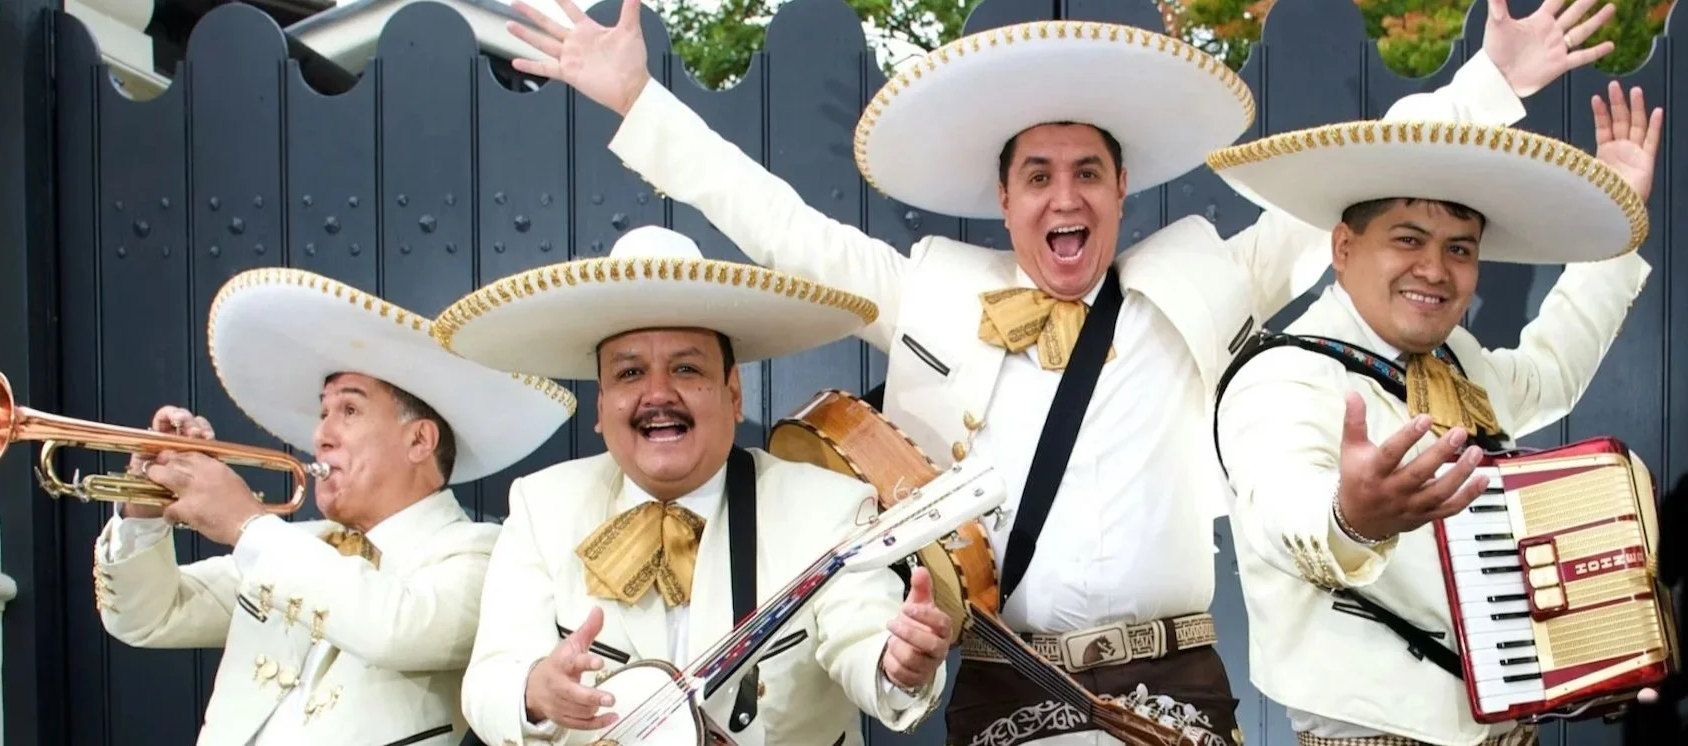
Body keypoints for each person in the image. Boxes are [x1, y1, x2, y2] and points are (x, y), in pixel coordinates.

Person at [499, 0, 1619, 743]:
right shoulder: (931, 293)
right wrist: (636, 102)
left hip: (1175, 681)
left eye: (1088, 171)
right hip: (1005, 689)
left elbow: (1356, 192)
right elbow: (785, 229)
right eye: (1037, 174)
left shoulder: (1198, 281)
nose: (1064, 196)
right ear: (1005, 199)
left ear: (1122, 195)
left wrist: (1491, 80)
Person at [1210, 82, 1662, 746]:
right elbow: (1281, 505)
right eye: (1408, 239)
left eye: (1459, 248)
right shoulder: (1281, 374)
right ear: (1342, 248)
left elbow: (1550, 375)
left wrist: (1617, 228)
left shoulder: (1459, 362)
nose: (1435, 269)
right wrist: (1350, 519)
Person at [443, 225, 954, 746]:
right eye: (629, 374)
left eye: (687, 369)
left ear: (733, 395)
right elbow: (488, 682)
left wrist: (899, 662)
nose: (657, 394)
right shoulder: (542, 505)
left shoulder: (829, 508)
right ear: (600, 406)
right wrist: (535, 693)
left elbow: (866, 639)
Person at [90, 267, 577, 746]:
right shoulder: (296, 546)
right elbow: (147, 617)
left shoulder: (481, 553)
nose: (320, 436)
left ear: (419, 440)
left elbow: (396, 627)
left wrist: (245, 524)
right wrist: (143, 505)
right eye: (323, 413)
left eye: (348, 410)